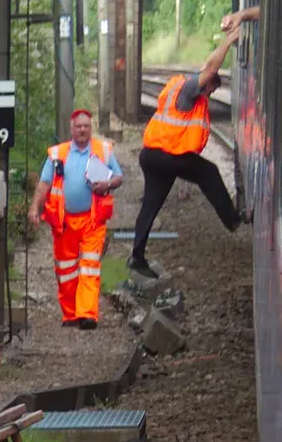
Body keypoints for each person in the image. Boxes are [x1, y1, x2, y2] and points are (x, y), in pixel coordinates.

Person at [128, 24, 245, 277]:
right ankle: (233, 220)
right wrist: (228, 41)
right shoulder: (189, 89)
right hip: (167, 155)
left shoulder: (179, 88)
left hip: (152, 156)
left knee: (150, 205)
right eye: (212, 88)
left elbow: (207, 70)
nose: (212, 93)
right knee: (209, 171)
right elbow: (211, 68)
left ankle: (136, 257)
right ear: (205, 81)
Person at [29, 110, 123, 328]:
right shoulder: (57, 154)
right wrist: (35, 207)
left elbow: (118, 177)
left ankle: (87, 315)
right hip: (64, 223)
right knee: (66, 270)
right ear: (72, 129)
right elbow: (44, 184)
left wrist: (107, 184)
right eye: (79, 126)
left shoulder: (103, 150)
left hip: (92, 220)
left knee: (90, 267)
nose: (82, 130)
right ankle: (70, 314)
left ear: (91, 128)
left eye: (86, 126)